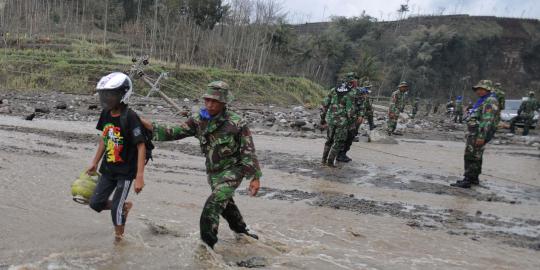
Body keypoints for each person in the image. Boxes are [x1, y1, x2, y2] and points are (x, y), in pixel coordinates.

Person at [148, 81, 261, 249]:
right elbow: (173, 133)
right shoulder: (199, 120)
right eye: (207, 100)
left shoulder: (236, 123)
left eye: (214, 101)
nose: (209, 104)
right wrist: (144, 125)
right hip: (214, 173)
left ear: (223, 102)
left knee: (212, 206)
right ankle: (243, 234)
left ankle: (207, 249)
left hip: (233, 171)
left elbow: (248, 151)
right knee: (226, 206)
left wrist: (254, 178)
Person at [87, 72, 146, 241]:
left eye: (111, 95)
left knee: (115, 210)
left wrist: (139, 176)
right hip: (108, 169)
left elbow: (141, 146)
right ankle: (123, 206)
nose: (107, 98)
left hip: (125, 172)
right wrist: (94, 162)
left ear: (123, 94)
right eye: (104, 95)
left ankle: (119, 242)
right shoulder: (105, 113)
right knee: (95, 203)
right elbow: (104, 139)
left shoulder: (130, 117)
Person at [451, 80, 499, 188]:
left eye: (481, 89)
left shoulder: (490, 100)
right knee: (476, 155)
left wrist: (481, 136)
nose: (478, 91)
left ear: (488, 89)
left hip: (478, 133)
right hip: (475, 132)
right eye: (477, 89)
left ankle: (468, 179)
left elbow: (487, 120)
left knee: (471, 155)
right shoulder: (484, 100)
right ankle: (473, 179)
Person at [321, 73, 363, 166]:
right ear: (351, 82)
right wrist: (352, 122)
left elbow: (324, 105)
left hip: (331, 120)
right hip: (342, 122)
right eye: (355, 81)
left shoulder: (334, 89)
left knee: (329, 141)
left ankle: (323, 161)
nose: (357, 83)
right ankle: (330, 163)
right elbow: (350, 111)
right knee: (338, 142)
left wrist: (322, 120)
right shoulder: (351, 93)